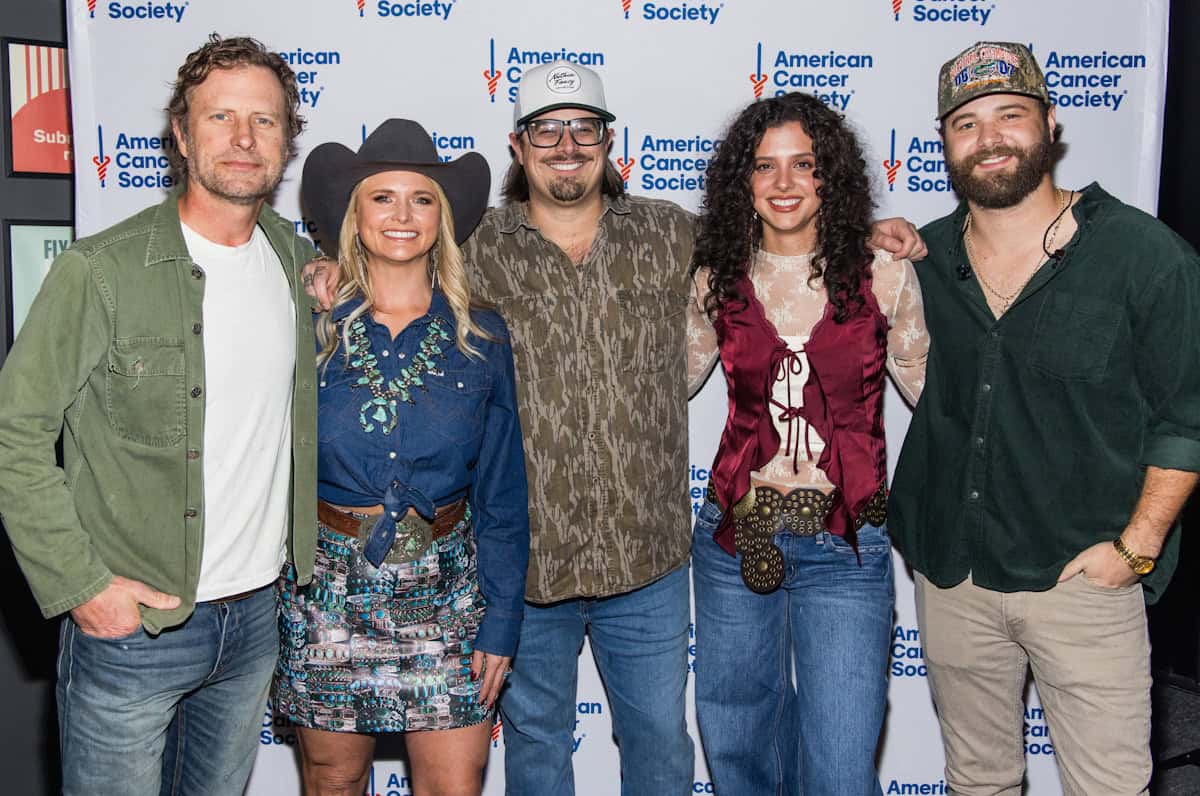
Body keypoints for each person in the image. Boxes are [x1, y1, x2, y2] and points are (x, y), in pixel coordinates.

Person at [304, 61, 926, 795]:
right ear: (518, 145)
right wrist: (323, 269)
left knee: (661, 749)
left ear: (609, 143)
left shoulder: (672, 234)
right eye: (546, 130)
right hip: (530, 562)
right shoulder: (474, 248)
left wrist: (881, 231)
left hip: (648, 563)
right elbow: (392, 257)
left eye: (584, 128)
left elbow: (778, 233)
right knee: (536, 750)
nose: (566, 145)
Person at [0, 35, 318, 794]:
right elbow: (14, 435)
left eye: (265, 121)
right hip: (135, 628)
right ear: (181, 133)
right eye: (221, 117)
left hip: (255, 623)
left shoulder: (295, 259)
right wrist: (80, 585)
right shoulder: (99, 271)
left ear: (286, 140)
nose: (243, 139)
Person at [889, 41, 1200, 795]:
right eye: (965, 123)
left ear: (1051, 124)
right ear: (945, 144)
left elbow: (1184, 419)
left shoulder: (1145, 255)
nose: (989, 137)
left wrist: (1134, 551)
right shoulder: (923, 256)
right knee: (979, 781)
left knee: (1108, 786)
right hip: (955, 575)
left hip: (1082, 577)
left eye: (1010, 115)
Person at [273, 118, 529, 796]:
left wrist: (502, 621)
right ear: (353, 217)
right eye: (381, 197)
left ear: (441, 220)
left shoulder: (483, 335)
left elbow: (503, 496)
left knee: (455, 783)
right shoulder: (308, 322)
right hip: (328, 585)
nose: (402, 215)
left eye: (421, 199)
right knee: (332, 779)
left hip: (449, 593)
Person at [686, 91, 928, 796]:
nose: (785, 183)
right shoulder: (715, 279)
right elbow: (654, 389)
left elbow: (940, 399)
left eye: (804, 165)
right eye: (766, 167)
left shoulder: (883, 273)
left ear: (834, 178)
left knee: (842, 764)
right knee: (736, 747)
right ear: (744, 182)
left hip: (845, 543)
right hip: (735, 537)